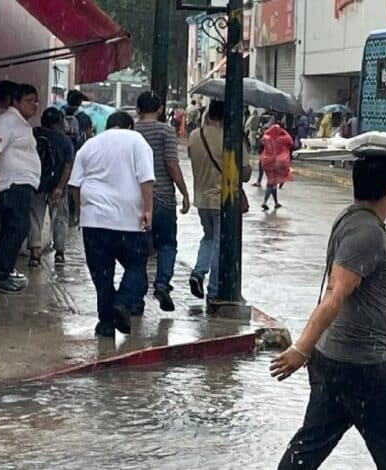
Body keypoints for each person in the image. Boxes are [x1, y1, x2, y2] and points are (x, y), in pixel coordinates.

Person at [271, 156, 386, 470]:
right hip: (366, 369)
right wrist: (300, 349)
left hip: (335, 364)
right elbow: (336, 295)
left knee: (308, 447)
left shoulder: (351, 220)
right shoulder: (366, 233)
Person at [69, 111, 154, 338]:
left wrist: (80, 212)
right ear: (130, 126)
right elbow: (146, 178)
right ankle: (122, 302)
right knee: (136, 265)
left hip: (94, 221)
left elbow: (75, 185)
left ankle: (106, 323)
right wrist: (148, 210)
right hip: (129, 220)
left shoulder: (89, 145)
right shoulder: (137, 141)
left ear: (108, 126)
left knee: (102, 273)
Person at [187, 100, 252, 301]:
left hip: (201, 199)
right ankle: (214, 290)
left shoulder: (195, 135)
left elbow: (193, 158)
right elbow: (246, 174)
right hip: (222, 201)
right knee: (219, 244)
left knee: (208, 237)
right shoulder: (231, 138)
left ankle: (198, 272)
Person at [135, 91, 191, 312]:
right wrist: (185, 193)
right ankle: (162, 284)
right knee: (167, 244)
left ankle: (136, 294)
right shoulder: (166, 131)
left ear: (138, 109)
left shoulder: (133, 132)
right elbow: (171, 164)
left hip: (137, 198)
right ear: (159, 109)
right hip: (164, 198)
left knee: (139, 247)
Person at [0, 84, 41, 294]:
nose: (35, 105)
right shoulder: (6, 121)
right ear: (16, 101)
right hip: (12, 185)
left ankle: (3, 271)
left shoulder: (22, 124)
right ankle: (1, 274)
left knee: (15, 229)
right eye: (30, 100)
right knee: (17, 228)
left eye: (36, 101)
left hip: (23, 185)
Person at [28, 107, 74, 267]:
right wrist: (60, 187)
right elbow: (68, 166)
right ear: (59, 122)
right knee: (60, 218)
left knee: (35, 218)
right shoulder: (65, 140)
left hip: (36, 184)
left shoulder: (33, 134)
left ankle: (34, 253)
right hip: (57, 186)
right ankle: (60, 252)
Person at [260, 122, 293, 211]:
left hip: (266, 162)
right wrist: (283, 131)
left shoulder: (266, 138)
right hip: (277, 163)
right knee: (271, 183)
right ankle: (265, 202)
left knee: (272, 182)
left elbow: (263, 138)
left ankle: (276, 203)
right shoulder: (283, 138)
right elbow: (291, 142)